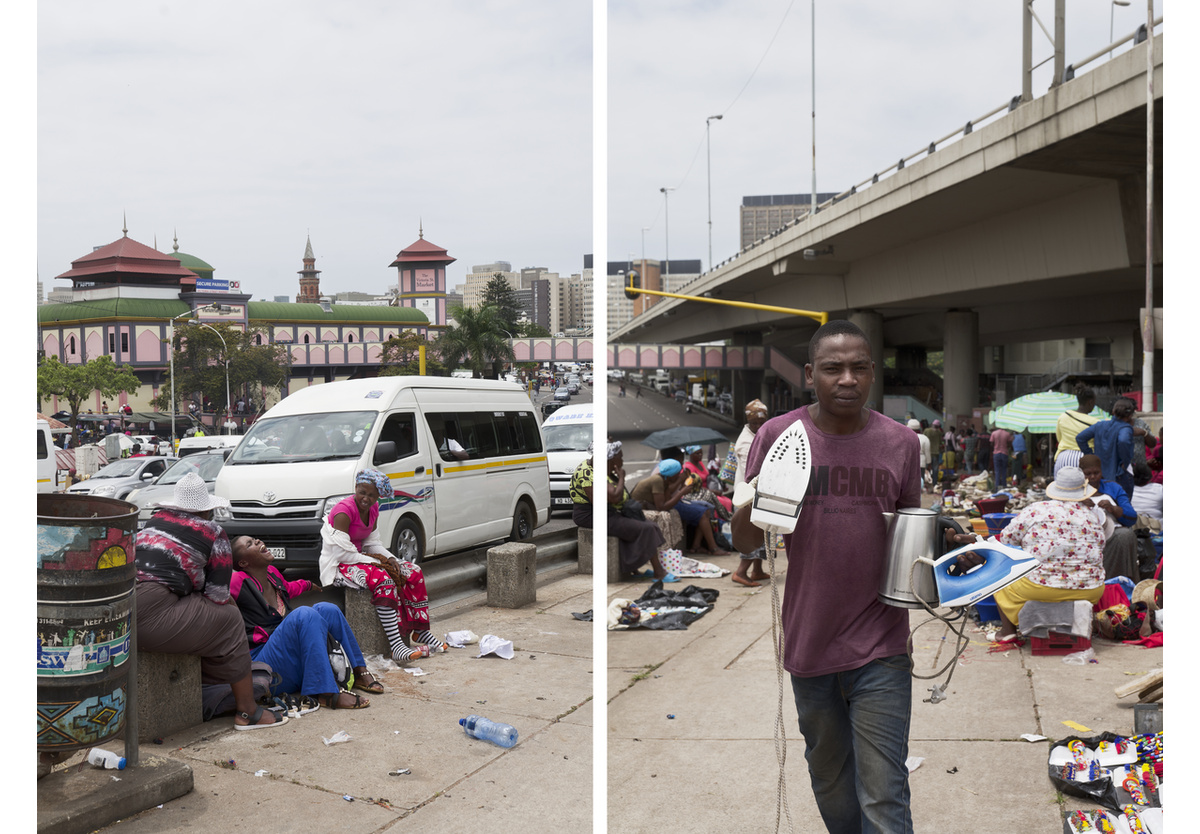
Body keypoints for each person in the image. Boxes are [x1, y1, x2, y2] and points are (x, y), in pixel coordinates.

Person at [731, 319, 977, 833]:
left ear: (872, 375)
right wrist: (754, 501)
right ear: (809, 374)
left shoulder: (900, 443)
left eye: (859, 368)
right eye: (832, 368)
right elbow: (748, 544)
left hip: (881, 644)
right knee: (831, 782)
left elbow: (909, 538)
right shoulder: (780, 437)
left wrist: (946, 544)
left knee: (884, 795)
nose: (847, 379)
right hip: (809, 644)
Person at [133, 472, 285, 730]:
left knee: (216, 615)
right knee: (230, 619)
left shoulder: (154, 522)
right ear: (206, 511)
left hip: (123, 609)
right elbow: (217, 595)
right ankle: (247, 711)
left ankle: (221, 684)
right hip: (152, 614)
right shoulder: (212, 532)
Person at [231, 535, 381, 709]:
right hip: (262, 664)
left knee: (328, 609)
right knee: (304, 614)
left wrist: (308, 584)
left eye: (255, 539)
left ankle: (359, 670)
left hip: (286, 658)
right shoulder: (237, 581)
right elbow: (217, 596)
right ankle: (325, 692)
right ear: (243, 563)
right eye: (249, 544)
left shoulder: (272, 573)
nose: (257, 541)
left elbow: (288, 588)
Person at [319, 469, 446, 663]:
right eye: (362, 492)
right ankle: (396, 646)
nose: (366, 498)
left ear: (378, 496)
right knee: (384, 580)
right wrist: (379, 563)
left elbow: (372, 543)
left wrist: (391, 559)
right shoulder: (344, 512)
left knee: (413, 572)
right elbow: (341, 553)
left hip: (361, 558)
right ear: (355, 489)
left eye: (371, 495)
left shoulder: (374, 510)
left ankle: (421, 632)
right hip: (340, 563)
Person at [991, 466, 1106, 641]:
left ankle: (1008, 632)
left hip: (1041, 588)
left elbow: (1007, 539)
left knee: (998, 575)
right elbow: (1100, 546)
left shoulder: (1035, 510)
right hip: (1090, 590)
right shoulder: (1092, 516)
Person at [630, 459, 730, 557]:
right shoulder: (657, 480)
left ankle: (697, 546)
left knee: (706, 510)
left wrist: (681, 484)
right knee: (703, 512)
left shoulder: (663, 479)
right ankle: (713, 548)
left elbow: (668, 498)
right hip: (638, 510)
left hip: (647, 506)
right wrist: (681, 492)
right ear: (672, 474)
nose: (679, 475)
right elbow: (662, 507)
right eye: (678, 474)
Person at [603, 441, 669, 579]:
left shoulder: (611, 475)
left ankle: (635, 569)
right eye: (620, 457)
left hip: (618, 515)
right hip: (608, 517)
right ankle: (659, 572)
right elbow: (616, 497)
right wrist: (621, 477)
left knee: (651, 525)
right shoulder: (605, 477)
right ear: (611, 459)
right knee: (648, 529)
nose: (622, 460)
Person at [731, 399, 772, 587]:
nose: (757, 426)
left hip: (759, 493)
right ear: (748, 422)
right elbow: (752, 472)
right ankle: (741, 572)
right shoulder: (746, 442)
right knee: (751, 534)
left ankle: (757, 570)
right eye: (754, 423)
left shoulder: (759, 436)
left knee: (764, 532)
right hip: (749, 496)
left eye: (760, 423)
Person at [1078, 454, 1139, 581]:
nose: (1093, 477)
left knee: (1125, 535)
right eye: (1088, 474)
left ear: (1102, 471)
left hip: (1110, 533)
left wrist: (1113, 508)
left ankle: (1120, 582)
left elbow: (1132, 517)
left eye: (1096, 473)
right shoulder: (1074, 490)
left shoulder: (1113, 488)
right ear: (1081, 474)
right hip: (1082, 534)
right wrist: (1078, 504)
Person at [1077, 397, 1137, 498]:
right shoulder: (1125, 428)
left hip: (1100, 475)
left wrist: (1091, 456)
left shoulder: (1100, 425)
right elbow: (1123, 440)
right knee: (1121, 508)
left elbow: (1080, 438)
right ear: (1130, 415)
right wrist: (1125, 462)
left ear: (1113, 411)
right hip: (1119, 475)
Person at [908, 419, 931, 491]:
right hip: (922, 462)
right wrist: (929, 463)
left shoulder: (906, 437)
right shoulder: (925, 438)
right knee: (920, 481)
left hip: (909, 462)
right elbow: (927, 452)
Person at [923, 419, 942, 485]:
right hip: (935, 453)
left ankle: (925, 483)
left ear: (932, 424)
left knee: (925, 468)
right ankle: (934, 483)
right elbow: (940, 442)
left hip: (926, 452)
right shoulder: (939, 432)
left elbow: (923, 439)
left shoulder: (926, 431)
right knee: (935, 469)